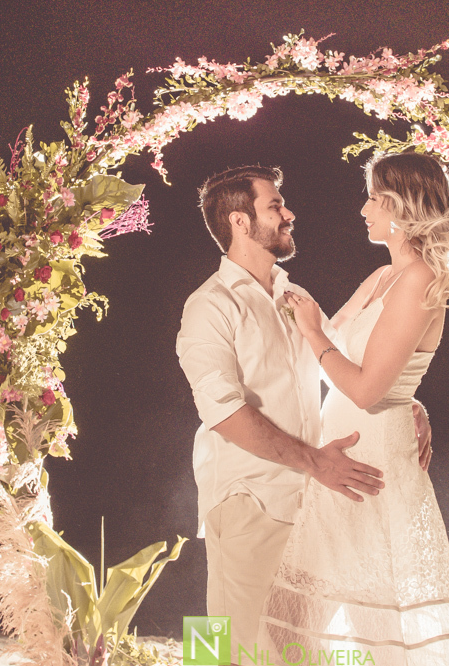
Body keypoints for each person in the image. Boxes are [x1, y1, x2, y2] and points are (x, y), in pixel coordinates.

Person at [177, 165, 431, 659]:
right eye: (275, 206)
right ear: (240, 222)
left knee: (294, 653)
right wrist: (317, 462)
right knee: (229, 646)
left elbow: (346, 371)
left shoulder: (294, 298)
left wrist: (408, 400)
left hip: (309, 503)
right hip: (251, 497)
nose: (289, 213)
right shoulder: (209, 306)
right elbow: (224, 413)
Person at [260, 151, 449, 665]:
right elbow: (327, 357)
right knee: (294, 616)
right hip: (339, 450)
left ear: (399, 206)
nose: (363, 209)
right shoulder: (381, 277)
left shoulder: (421, 279)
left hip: (371, 461)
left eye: (372, 197)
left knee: (376, 617)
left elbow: (365, 389)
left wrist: (316, 333)